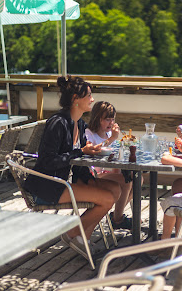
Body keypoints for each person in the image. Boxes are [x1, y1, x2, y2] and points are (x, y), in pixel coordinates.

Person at [24, 75, 121, 259]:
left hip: (65, 182)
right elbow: (47, 161)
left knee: (115, 189)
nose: (92, 99)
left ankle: (81, 239)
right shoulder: (58, 123)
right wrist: (80, 152)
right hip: (47, 185)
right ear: (75, 99)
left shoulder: (80, 124)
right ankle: (72, 233)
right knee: (107, 199)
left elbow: (79, 161)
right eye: (89, 95)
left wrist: (89, 178)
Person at [85, 101, 133, 229]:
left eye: (113, 119)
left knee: (137, 179)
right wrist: (111, 140)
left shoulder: (109, 133)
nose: (111, 123)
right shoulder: (89, 133)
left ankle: (116, 214)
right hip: (93, 175)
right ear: (97, 119)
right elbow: (92, 150)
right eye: (107, 119)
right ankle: (118, 219)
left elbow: (114, 156)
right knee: (127, 181)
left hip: (106, 173)